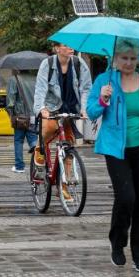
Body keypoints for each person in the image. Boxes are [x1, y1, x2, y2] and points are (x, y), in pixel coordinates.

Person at [87, 38, 139, 273]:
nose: (129, 63)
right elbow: (91, 112)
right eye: (124, 58)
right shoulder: (105, 80)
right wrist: (103, 99)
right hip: (115, 148)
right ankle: (117, 244)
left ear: (138, 59)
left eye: (132, 58)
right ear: (115, 59)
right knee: (126, 197)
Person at [33, 43, 92, 200]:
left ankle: (63, 186)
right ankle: (39, 147)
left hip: (71, 107)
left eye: (71, 45)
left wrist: (84, 109)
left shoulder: (79, 64)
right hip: (52, 107)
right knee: (48, 127)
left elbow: (86, 88)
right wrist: (41, 109)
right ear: (57, 49)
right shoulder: (48, 64)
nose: (70, 47)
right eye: (66, 45)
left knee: (69, 147)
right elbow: (40, 89)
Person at [6, 70, 38, 173]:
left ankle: (19, 166)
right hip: (34, 115)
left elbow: (11, 100)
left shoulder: (14, 79)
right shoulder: (36, 79)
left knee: (18, 140)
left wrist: (10, 113)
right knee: (33, 138)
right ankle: (38, 163)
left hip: (20, 117)